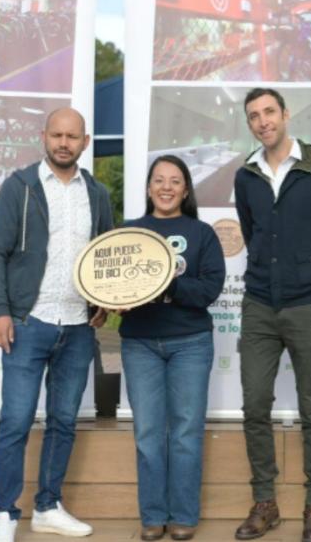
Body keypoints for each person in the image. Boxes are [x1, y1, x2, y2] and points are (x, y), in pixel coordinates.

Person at [0, 107, 115, 542]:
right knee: (16, 421)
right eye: (56, 135)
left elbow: (105, 257)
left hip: (78, 327)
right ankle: (4, 513)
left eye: (71, 136)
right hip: (27, 322)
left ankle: (48, 506)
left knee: (62, 421)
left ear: (85, 142)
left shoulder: (97, 194)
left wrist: (103, 302)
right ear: (44, 136)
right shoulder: (20, 187)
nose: (63, 142)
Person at [232, 88, 311, 542]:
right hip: (259, 304)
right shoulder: (246, 176)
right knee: (255, 405)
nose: (263, 121)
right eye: (254, 116)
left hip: (308, 303)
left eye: (269, 112)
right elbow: (252, 231)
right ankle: (265, 502)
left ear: (285, 115)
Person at [117, 155, 226, 542]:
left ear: (185, 189)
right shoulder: (128, 232)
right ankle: (152, 515)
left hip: (190, 343)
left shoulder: (202, 233)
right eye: (159, 180)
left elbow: (208, 291)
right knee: (147, 432)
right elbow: (111, 284)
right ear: (148, 187)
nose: (166, 187)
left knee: (184, 432)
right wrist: (113, 300)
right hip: (140, 343)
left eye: (175, 180)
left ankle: (183, 514)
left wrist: (167, 284)